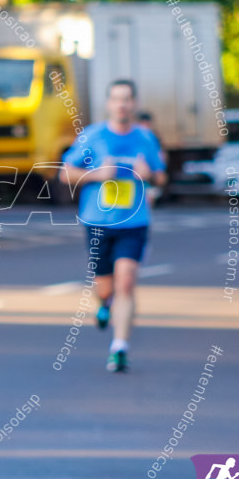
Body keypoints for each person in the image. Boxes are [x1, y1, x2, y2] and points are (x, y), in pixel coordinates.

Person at [61, 80, 166, 373]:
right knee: (104, 287)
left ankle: (119, 347)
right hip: (98, 223)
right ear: (108, 104)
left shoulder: (145, 138)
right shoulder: (92, 136)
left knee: (127, 282)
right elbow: (64, 174)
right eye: (117, 99)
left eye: (127, 99)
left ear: (134, 104)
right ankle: (104, 304)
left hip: (134, 222)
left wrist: (150, 175)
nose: (122, 105)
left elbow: (161, 176)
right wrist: (97, 174)